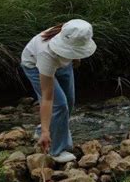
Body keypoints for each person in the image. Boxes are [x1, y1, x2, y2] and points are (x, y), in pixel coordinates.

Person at [21, 19, 97, 163]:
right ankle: (56, 150)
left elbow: (77, 45)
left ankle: (44, 129)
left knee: (69, 100)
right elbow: (47, 97)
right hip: (35, 65)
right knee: (60, 105)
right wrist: (45, 132)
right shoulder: (46, 54)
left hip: (63, 63)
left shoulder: (74, 30)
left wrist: (76, 57)